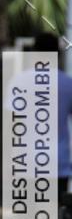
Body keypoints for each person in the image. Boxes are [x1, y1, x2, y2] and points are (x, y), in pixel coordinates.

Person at [33, 34, 72, 203]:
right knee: (56, 211)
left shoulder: (20, 82)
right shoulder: (67, 83)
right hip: (59, 162)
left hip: (28, 163)